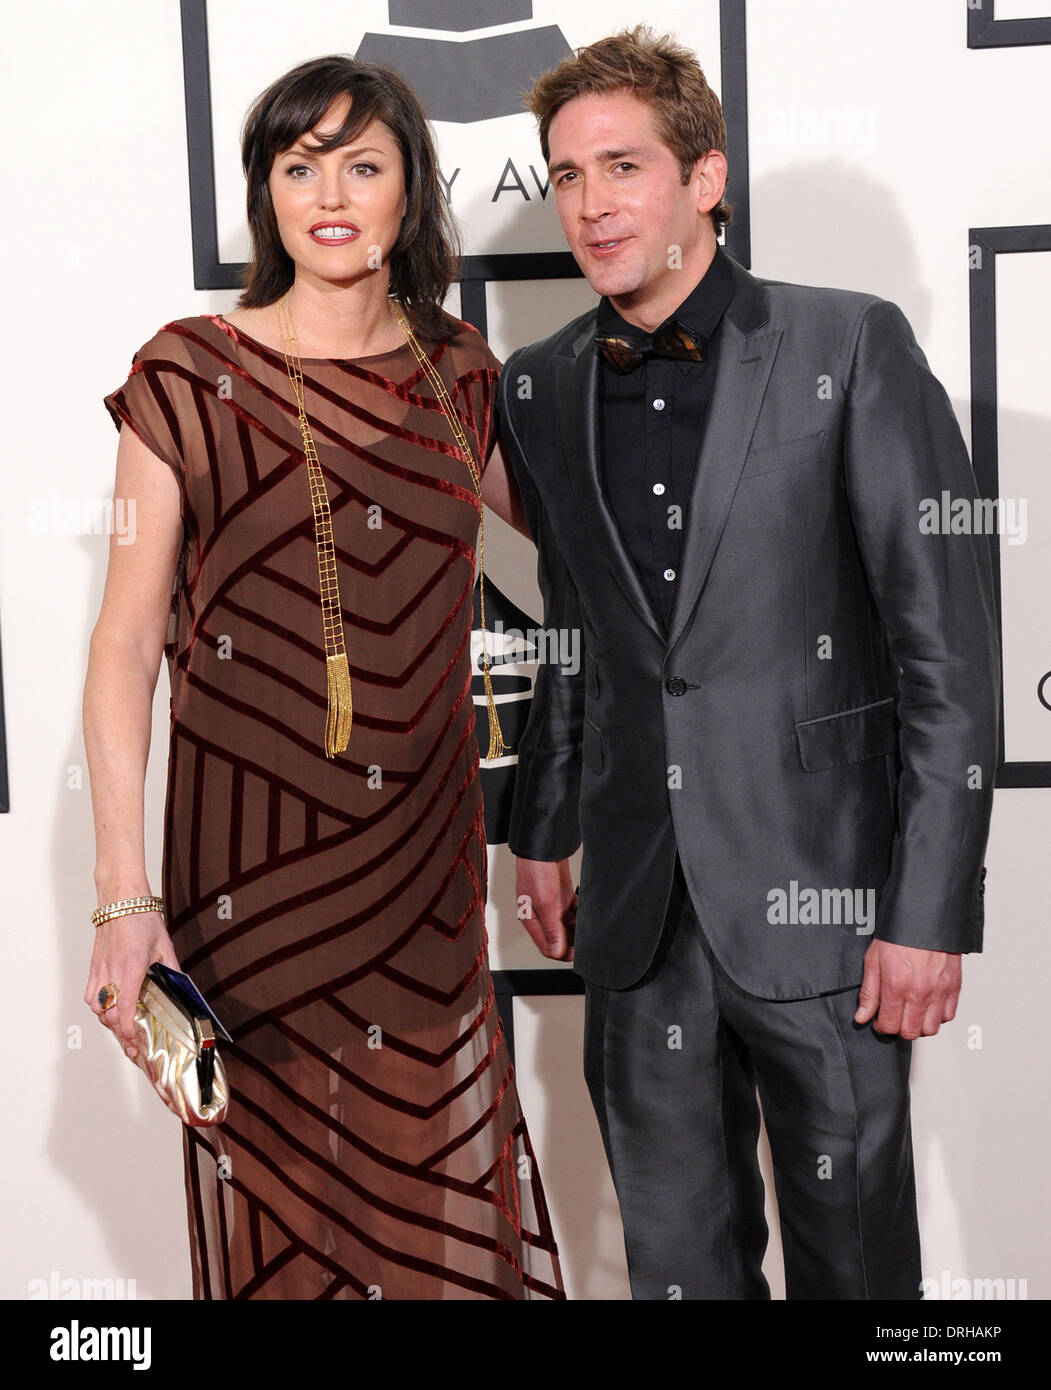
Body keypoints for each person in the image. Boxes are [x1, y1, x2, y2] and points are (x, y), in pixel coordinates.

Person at [500, 25, 999, 1299]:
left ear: (704, 178)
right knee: (675, 1266)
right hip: (636, 907)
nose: (592, 204)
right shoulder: (541, 385)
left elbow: (945, 654)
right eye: (565, 175)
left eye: (622, 166)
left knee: (859, 1272)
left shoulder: (849, 347)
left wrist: (926, 913)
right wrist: (545, 826)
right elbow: (572, 628)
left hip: (829, 910)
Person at [83, 54, 564, 1301]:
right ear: (267, 193)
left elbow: (590, 565)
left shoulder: (459, 376)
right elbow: (126, 642)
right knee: (282, 1224)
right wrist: (123, 896)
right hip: (252, 871)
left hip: (421, 873)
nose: (331, 194)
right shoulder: (186, 377)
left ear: (411, 191)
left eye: (363, 164)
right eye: (301, 167)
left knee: (430, 1206)